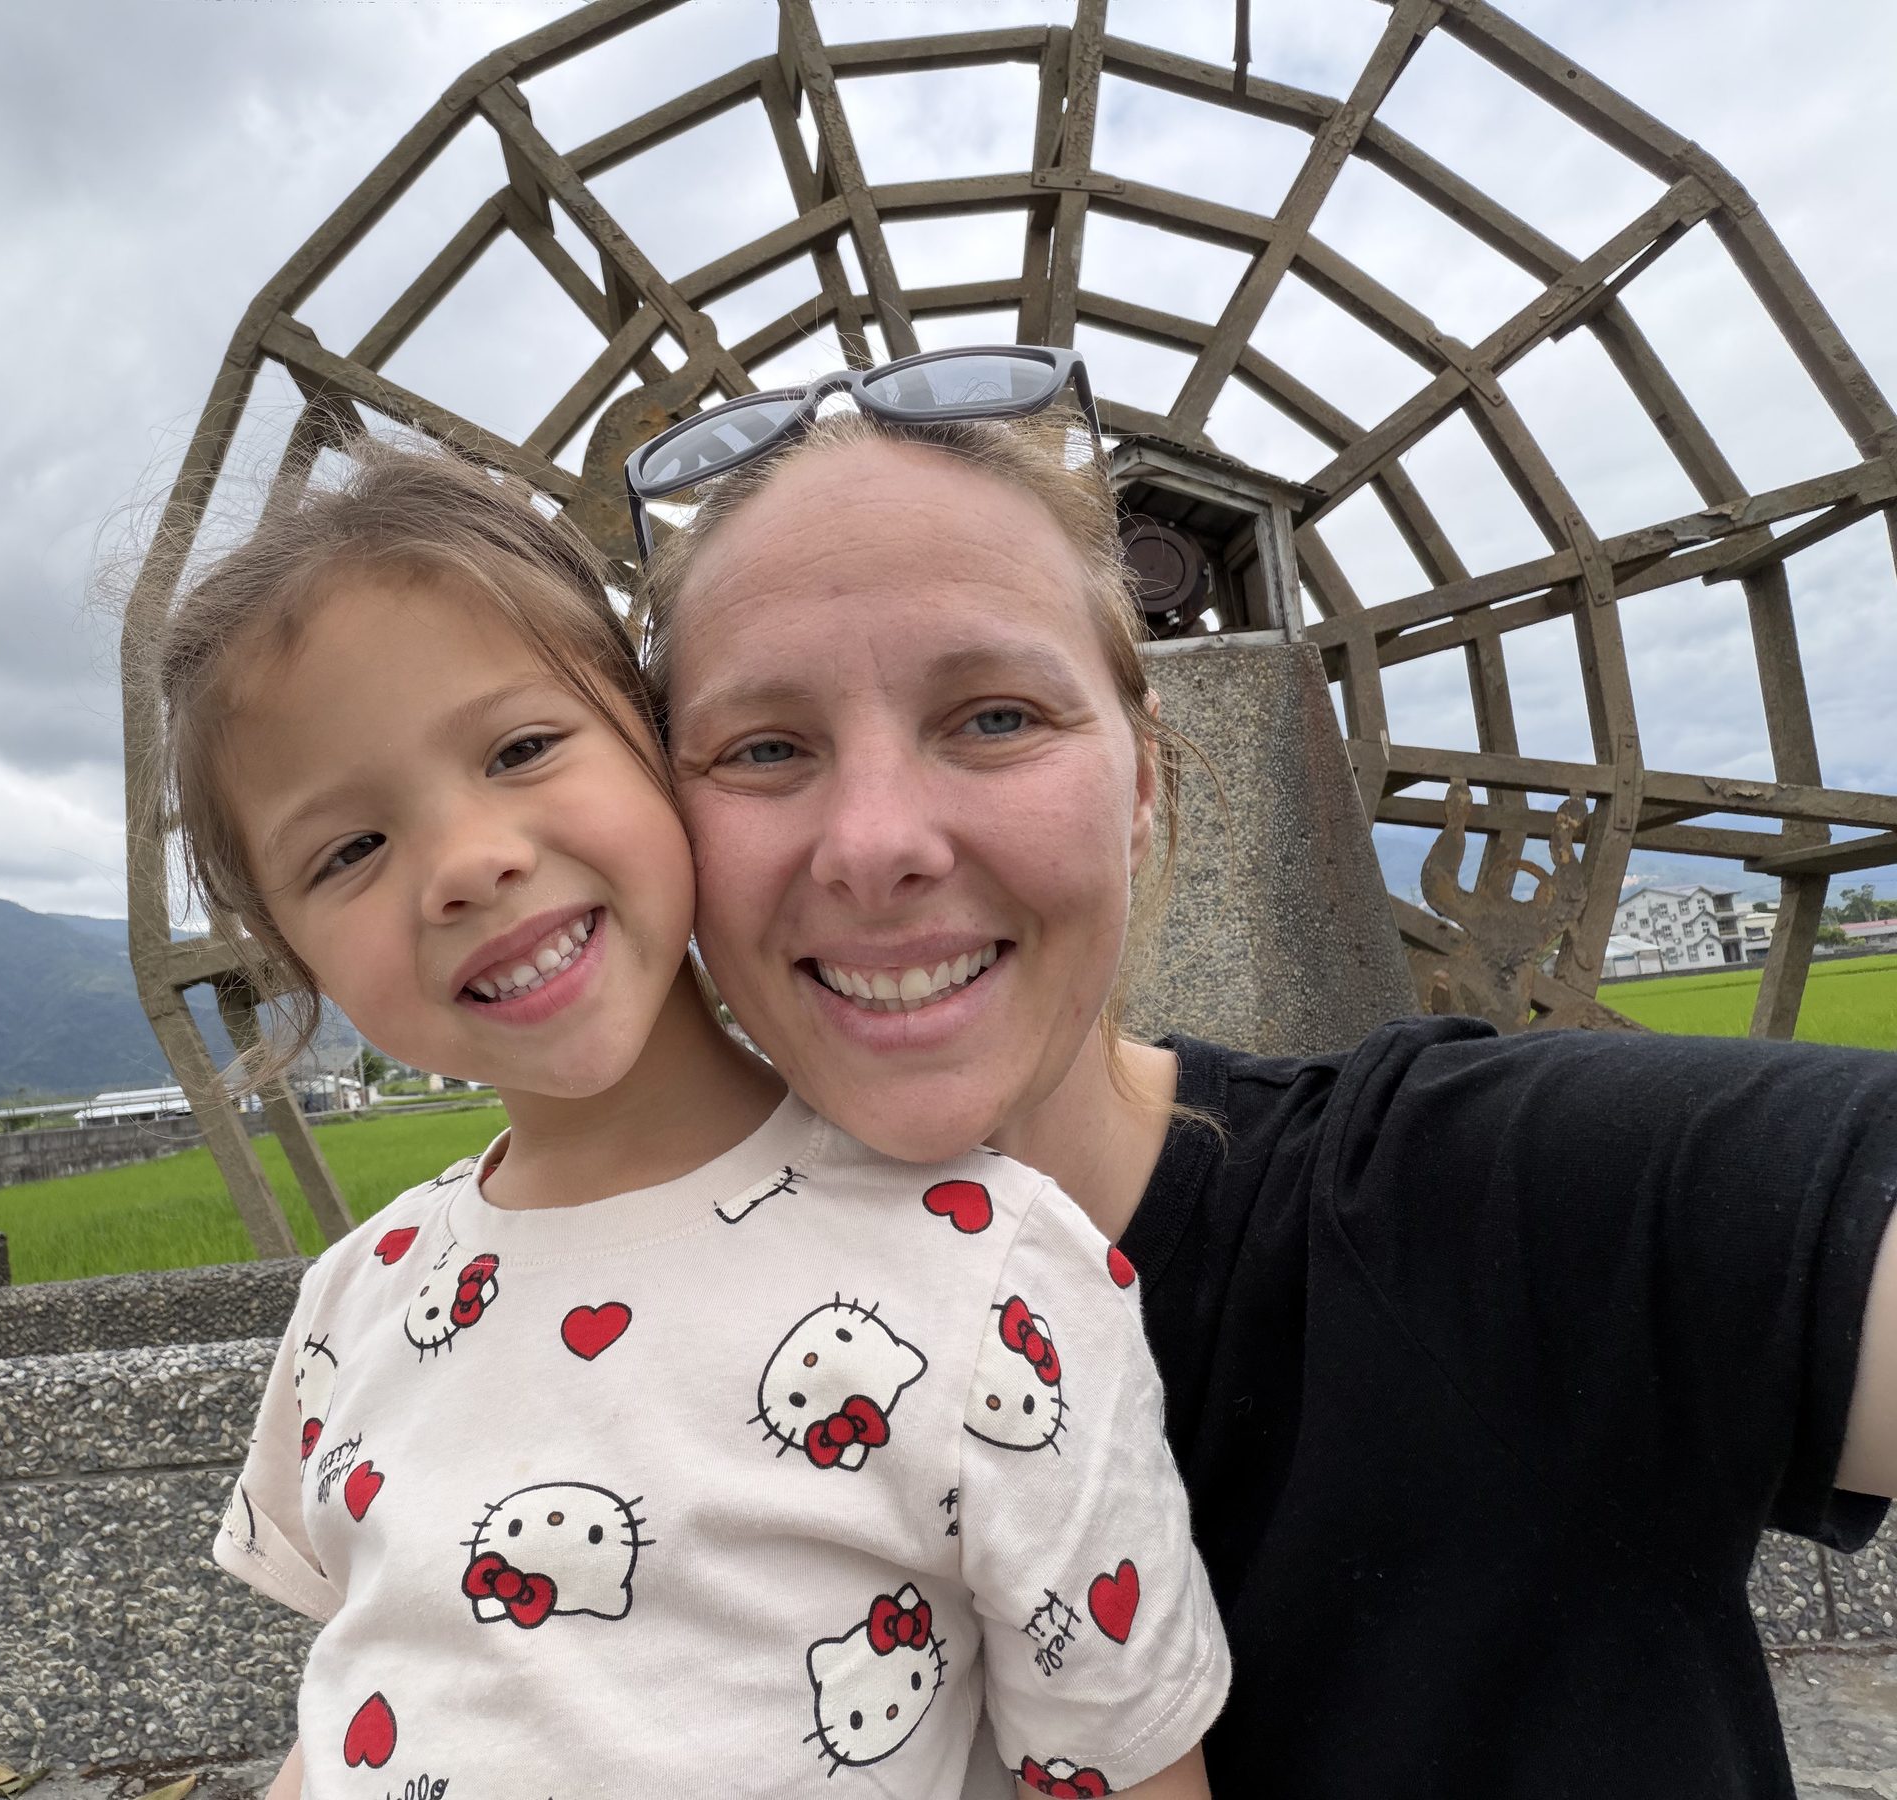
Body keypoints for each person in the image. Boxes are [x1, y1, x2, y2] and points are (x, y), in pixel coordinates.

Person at [627, 349, 1897, 1799]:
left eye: (997, 717)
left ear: (1144, 782)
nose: (876, 844)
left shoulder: (1494, 1209)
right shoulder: (557, 1357)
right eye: (764, 747)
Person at [145, 434, 1228, 1797]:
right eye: (349, 850)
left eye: (523, 749)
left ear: (664, 758)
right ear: (290, 950)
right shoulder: (355, 1302)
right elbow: (370, 1688)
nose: (467, 864)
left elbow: (1121, 1763)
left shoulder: (998, 1275)